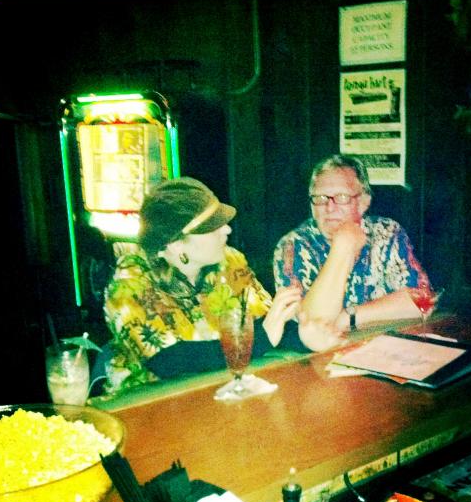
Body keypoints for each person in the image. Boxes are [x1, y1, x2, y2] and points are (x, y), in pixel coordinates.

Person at [101, 177, 318, 393]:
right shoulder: (129, 284)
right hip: (150, 401)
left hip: (224, 387)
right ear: (175, 245)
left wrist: (305, 336)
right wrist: (262, 339)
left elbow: (267, 324)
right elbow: (169, 361)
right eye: (212, 225)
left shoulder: (230, 262)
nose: (227, 230)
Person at [273, 154, 430, 334]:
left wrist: (349, 317)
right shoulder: (293, 246)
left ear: (364, 202)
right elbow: (313, 326)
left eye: (342, 197)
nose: (329, 208)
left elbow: (423, 300)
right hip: (324, 351)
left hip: (385, 344)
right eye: (321, 198)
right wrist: (341, 248)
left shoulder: (387, 232)